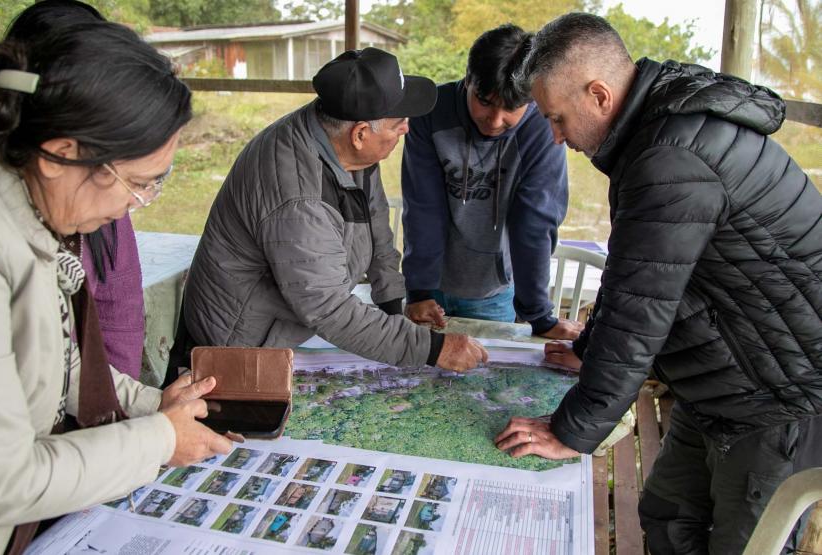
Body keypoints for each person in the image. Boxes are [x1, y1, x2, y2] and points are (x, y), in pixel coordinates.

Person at [494, 12, 822, 554]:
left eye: (556, 118)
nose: (554, 137)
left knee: (742, 543)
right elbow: (639, 279)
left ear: (599, 95)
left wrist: (571, 430)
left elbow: (637, 313)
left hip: (780, 397)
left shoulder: (672, 156)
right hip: (718, 381)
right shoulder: (659, 131)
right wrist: (586, 349)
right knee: (667, 515)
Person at [0, 21, 235, 554]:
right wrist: (160, 438)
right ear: (60, 153)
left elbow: (57, 358)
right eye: (142, 183)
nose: (137, 204)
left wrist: (153, 403)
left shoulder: (25, 211)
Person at [169, 48, 488, 381]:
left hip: (282, 327)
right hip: (236, 346)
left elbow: (375, 220)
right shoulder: (299, 199)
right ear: (361, 133)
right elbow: (328, 308)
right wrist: (433, 349)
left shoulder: (338, 136)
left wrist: (393, 304)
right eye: (398, 123)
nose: (407, 128)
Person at [401, 24, 581, 340]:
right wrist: (418, 289)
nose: (495, 120)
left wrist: (540, 316)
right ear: (468, 79)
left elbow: (534, 223)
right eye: (484, 101)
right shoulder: (430, 113)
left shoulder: (540, 127)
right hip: (431, 286)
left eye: (511, 108)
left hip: (494, 290)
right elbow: (423, 208)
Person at [5, 0, 146, 379]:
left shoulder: (100, 191)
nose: (132, 201)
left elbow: (119, 310)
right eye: (135, 182)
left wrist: (126, 412)